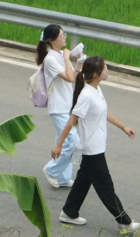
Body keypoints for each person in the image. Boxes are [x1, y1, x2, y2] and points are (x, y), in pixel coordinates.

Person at [51, 56, 140, 233]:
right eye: (105, 68)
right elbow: (71, 121)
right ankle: (125, 222)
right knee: (106, 187)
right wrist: (59, 145)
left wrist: (123, 127)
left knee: (84, 180)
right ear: (95, 74)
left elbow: (103, 112)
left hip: (96, 146)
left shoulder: (96, 90)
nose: (107, 70)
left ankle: (69, 212)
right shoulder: (86, 95)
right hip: (92, 149)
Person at [38, 24, 82, 189]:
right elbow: (69, 79)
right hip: (58, 108)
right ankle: (51, 170)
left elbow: (74, 78)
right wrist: (66, 57)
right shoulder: (51, 59)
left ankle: (63, 177)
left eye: (64, 34)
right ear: (51, 39)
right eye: (62, 35)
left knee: (64, 141)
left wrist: (77, 63)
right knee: (73, 141)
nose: (64, 37)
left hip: (67, 106)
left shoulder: (60, 55)